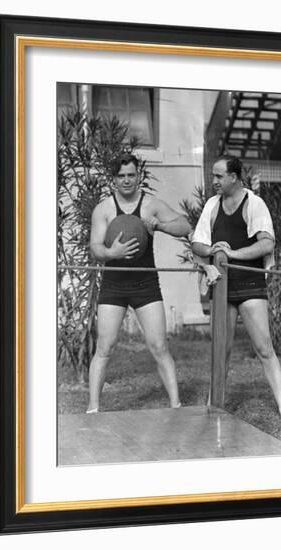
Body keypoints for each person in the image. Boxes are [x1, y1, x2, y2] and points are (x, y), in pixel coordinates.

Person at [191, 156, 281, 425]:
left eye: (218, 176)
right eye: (213, 176)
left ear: (234, 177)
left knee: (264, 348)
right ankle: (215, 405)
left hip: (249, 285)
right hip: (222, 285)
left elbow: (266, 244)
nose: (213, 181)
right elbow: (197, 244)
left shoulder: (254, 203)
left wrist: (232, 253)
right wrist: (212, 250)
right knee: (221, 350)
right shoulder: (212, 206)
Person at [86, 153, 192, 413]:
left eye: (131, 175)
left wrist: (159, 226)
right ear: (113, 180)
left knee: (159, 346)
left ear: (139, 177)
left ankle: (176, 405)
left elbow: (185, 225)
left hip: (146, 284)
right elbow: (95, 248)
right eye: (121, 176)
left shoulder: (150, 205)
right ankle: (92, 408)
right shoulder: (104, 209)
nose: (126, 180)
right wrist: (112, 254)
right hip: (114, 286)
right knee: (105, 347)